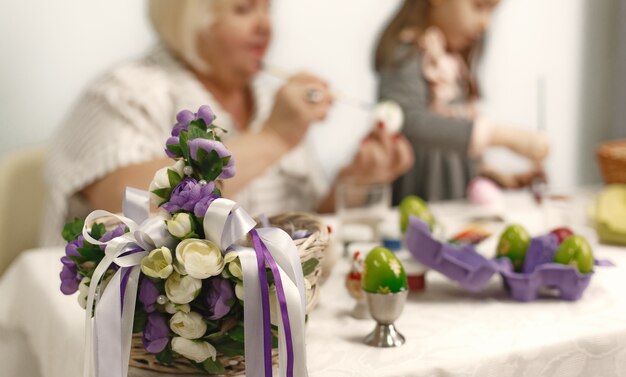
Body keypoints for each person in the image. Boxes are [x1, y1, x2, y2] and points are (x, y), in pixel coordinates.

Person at [40, 0, 413, 245]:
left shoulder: (271, 99)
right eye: (243, 8)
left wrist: (357, 180)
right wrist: (274, 137)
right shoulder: (124, 91)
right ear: (192, 20)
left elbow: (306, 218)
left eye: (267, 8)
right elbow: (121, 204)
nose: (265, 25)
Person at [375, 0, 549, 204]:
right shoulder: (407, 51)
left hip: (453, 213)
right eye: (478, 7)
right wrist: (498, 135)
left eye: (491, 12)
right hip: (417, 210)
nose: (486, 24)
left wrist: (497, 177)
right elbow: (409, 122)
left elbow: (454, 145)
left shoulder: (452, 61)